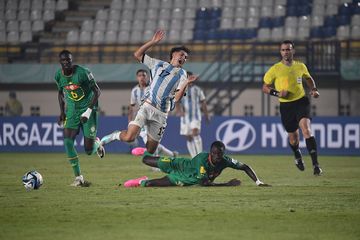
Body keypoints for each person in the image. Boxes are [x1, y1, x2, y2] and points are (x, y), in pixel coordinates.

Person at [101, 30, 197, 155]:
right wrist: (153, 42)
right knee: (130, 137)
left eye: (186, 57)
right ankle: (114, 136)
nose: (184, 58)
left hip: (162, 114)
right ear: (173, 55)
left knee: (151, 149)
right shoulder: (158, 64)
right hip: (147, 106)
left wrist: (186, 83)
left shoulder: (183, 75)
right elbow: (137, 54)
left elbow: (177, 99)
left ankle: (151, 153)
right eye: (182, 55)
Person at [262, 40, 322, 176]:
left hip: (301, 102)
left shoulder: (300, 66)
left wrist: (313, 89)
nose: (285, 52)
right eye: (283, 50)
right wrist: (277, 93)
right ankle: (297, 154)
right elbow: (264, 87)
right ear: (280, 52)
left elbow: (309, 78)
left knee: (306, 130)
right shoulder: (275, 69)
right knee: (294, 139)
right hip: (286, 106)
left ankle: (316, 165)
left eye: (288, 49)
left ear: (293, 51)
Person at [123, 141, 270, 187]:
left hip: (183, 178)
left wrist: (258, 181)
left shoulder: (226, 161)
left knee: (149, 185)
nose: (219, 157)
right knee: (146, 160)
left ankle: (140, 181)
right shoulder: (202, 160)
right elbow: (205, 183)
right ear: (210, 153)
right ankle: (145, 151)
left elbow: (244, 166)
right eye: (216, 154)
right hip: (179, 164)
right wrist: (227, 184)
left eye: (221, 154)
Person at [55, 49, 105, 187]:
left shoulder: (83, 73)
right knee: (67, 142)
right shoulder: (58, 75)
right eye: (63, 61)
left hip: (89, 108)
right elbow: (60, 93)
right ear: (60, 62)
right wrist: (62, 112)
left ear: (72, 61)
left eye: (68, 60)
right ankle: (78, 178)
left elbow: (97, 91)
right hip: (72, 111)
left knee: (88, 150)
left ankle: (97, 144)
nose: (66, 63)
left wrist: (88, 111)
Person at [129, 69, 178, 157]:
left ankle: (158, 164)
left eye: (144, 75)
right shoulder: (134, 91)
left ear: (147, 77)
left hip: (153, 117)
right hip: (141, 118)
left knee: (150, 143)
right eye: (140, 76)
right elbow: (132, 107)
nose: (142, 78)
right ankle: (170, 156)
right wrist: (130, 121)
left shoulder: (152, 88)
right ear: (137, 78)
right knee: (150, 143)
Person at [176, 71, 209, 157]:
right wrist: (179, 111)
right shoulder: (180, 89)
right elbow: (176, 101)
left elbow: (203, 102)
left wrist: (206, 115)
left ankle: (200, 155)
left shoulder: (197, 89)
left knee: (195, 133)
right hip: (185, 117)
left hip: (196, 116)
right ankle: (194, 157)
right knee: (188, 137)